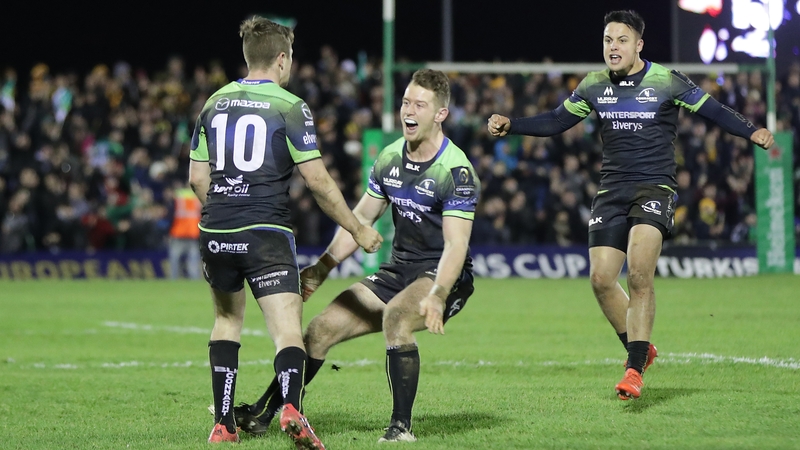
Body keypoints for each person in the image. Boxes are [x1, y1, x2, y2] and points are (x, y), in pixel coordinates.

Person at [487, 9, 773, 400]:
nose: (613, 47)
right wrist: (513, 123)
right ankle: (642, 349)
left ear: (639, 44)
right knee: (602, 279)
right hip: (612, 189)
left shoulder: (667, 80)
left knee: (639, 275)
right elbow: (556, 122)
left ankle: (633, 369)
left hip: (655, 188)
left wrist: (751, 130)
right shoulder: (593, 85)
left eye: (622, 40)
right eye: (607, 40)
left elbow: (714, 110)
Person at [233, 69, 481, 443]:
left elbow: (456, 245)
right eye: (405, 102)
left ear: (441, 114)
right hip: (398, 270)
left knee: (396, 317)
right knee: (318, 331)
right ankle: (267, 414)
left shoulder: (455, 170)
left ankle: (401, 428)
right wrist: (323, 266)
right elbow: (363, 218)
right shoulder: (389, 159)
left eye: (420, 105)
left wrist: (439, 293)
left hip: (443, 274)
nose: (408, 111)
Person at [188, 16, 382, 447]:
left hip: (216, 229)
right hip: (266, 231)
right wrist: (357, 227)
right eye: (290, 58)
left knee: (225, 320)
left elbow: (197, 178)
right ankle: (292, 408)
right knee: (288, 329)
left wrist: (225, 211)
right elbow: (319, 183)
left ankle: (223, 423)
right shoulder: (290, 106)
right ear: (281, 58)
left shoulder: (214, 102)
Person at [167, 181, 202, 279]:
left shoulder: (178, 196)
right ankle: (194, 283)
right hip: (193, 233)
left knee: (174, 260)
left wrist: (168, 231)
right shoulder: (198, 197)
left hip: (178, 233)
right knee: (193, 262)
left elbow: (171, 215)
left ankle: (174, 280)